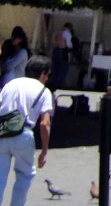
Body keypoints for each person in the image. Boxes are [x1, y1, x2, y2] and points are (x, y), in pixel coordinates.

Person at [0, 55, 53, 206]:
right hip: (24, 135)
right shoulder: (44, 91)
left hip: (2, 133)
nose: (47, 78)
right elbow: (44, 124)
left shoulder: (11, 84)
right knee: (24, 176)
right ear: (43, 73)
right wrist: (44, 151)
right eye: (47, 74)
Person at [49, 23, 73, 91]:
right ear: (70, 28)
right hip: (63, 52)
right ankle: (58, 85)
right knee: (63, 69)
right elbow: (69, 44)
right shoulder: (67, 33)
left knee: (55, 69)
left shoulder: (57, 32)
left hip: (55, 51)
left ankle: (52, 84)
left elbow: (53, 42)